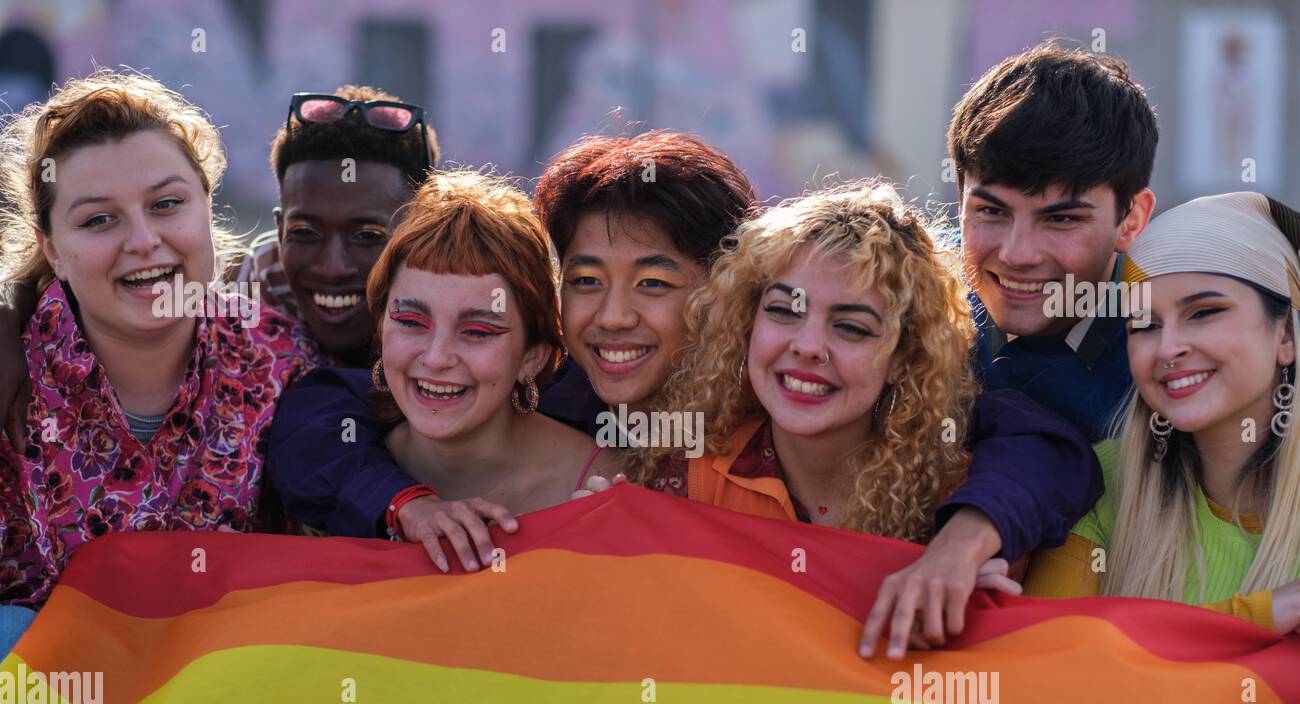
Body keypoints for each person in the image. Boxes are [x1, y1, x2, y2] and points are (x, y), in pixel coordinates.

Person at [270, 133, 1100, 645]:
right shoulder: (562, 392)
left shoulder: (907, 426)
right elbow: (319, 411)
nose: (614, 317)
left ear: (717, 298)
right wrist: (406, 501)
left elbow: (1044, 447)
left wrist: (961, 559)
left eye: (656, 282)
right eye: (586, 280)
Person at [623, 181, 1044, 655]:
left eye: (850, 327)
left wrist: (977, 625)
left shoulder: (963, 510)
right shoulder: (688, 477)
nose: (807, 346)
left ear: (905, 356)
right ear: (747, 322)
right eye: (784, 311)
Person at [0, 70, 315, 622]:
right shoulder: (12, 376)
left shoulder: (285, 365)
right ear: (52, 251)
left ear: (207, 209)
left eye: (167, 204)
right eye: (99, 219)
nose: (143, 241)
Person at [282, 169, 618, 570]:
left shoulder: (607, 485)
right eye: (410, 323)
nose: (438, 357)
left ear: (534, 356)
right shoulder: (327, 455)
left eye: (477, 331)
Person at [1024, 192, 1300, 633]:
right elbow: (1048, 659)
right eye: (1145, 325)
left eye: (1204, 312)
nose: (1169, 348)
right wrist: (1257, 619)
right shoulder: (1098, 481)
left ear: (1284, 333)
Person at [948, 40, 1158, 442]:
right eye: (991, 212)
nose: (1016, 254)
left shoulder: (1171, 353)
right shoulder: (901, 297)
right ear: (960, 203)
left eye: (1060, 219)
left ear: (1131, 221)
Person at [233, 85, 439, 365]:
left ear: (423, 231)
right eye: (304, 233)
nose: (333, 268)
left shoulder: (465, 299)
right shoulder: (243, 303)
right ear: (280, 232)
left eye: (367, 236)